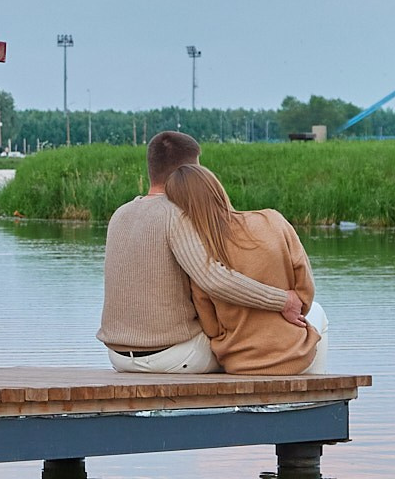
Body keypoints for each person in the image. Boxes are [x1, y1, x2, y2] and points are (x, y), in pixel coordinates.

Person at [98, 132, 306, 374]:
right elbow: (214, 280)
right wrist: (282, 300)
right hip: (173, 355)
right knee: (274, 346)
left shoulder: (120, 214)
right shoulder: (177, 215)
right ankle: (306, 401)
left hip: (118, 357)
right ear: (190, 170)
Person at [165, 163, 325, 375]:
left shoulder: (200, 254)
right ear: (218, 190)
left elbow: (211, 327)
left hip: (240, 362)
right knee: (318, 313)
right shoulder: (273, 220)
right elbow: (305, 291)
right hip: (295, 354)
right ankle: (317, 392)